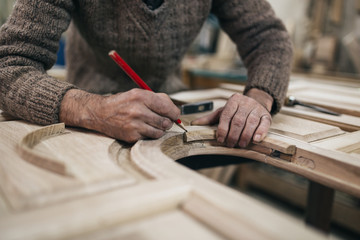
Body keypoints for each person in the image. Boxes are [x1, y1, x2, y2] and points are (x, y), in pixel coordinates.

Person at [0, 0, 292, 148]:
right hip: (85, 120)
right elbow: (9, 66)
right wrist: (94, 109)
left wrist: (259, 97)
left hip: (173, 116)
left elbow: (268, 37)